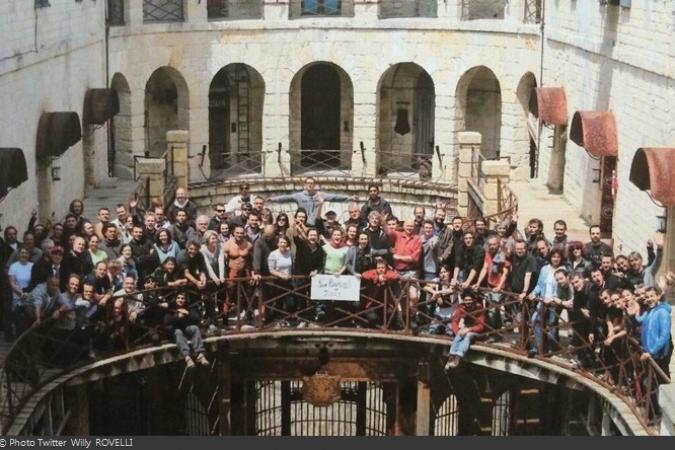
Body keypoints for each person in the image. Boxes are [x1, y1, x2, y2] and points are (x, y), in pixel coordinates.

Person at [268, 177, 354, 226]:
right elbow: (286, 198)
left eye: (312, 183)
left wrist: (348, 198)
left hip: (316, 223)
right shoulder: (299, 196)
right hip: (303, 223)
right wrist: (274, 199)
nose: (310, 184)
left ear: (314, 185)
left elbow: (334, 197)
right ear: (305, 185)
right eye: (308, 183)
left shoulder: (320, 195)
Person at [631, 286, 672, 378]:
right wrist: (633, 312)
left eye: (652, 296)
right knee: (651, 379)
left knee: (661, 378)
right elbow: (639, 320)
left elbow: (664, 336)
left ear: (658, 296)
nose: (649, 299)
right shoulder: (649, 311)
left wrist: (651, 351)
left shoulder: (662, 312)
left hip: (659, 353)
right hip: (650, 352)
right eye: (647, 297)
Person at [165, 291, 210, 369]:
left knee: (194, 328)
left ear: (185, 300)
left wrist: (187, 313)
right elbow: (167, 321)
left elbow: (197, 318)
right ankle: (187, 357)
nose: (180, 300)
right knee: (178, 332)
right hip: (175, 331)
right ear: (175, 299)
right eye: (178, 298)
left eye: (182, 298)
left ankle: (200, 354)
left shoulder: (188, 307)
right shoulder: (171, 307)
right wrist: (177, 316)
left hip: (186, 328)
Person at [445, 290, 486, 370]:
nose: (468, 302)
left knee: (467, 336)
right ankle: (451, 356)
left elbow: (481, 326)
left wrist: (469, 330)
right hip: (465, 328)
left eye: (470, 300)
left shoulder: (479, 308)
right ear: (463, 300)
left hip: (476, 331)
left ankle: (458, 357)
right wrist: (457, 331)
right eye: (466, 300)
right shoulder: (461, 307)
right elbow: (455, 321)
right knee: (459, 334)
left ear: (474, 300)